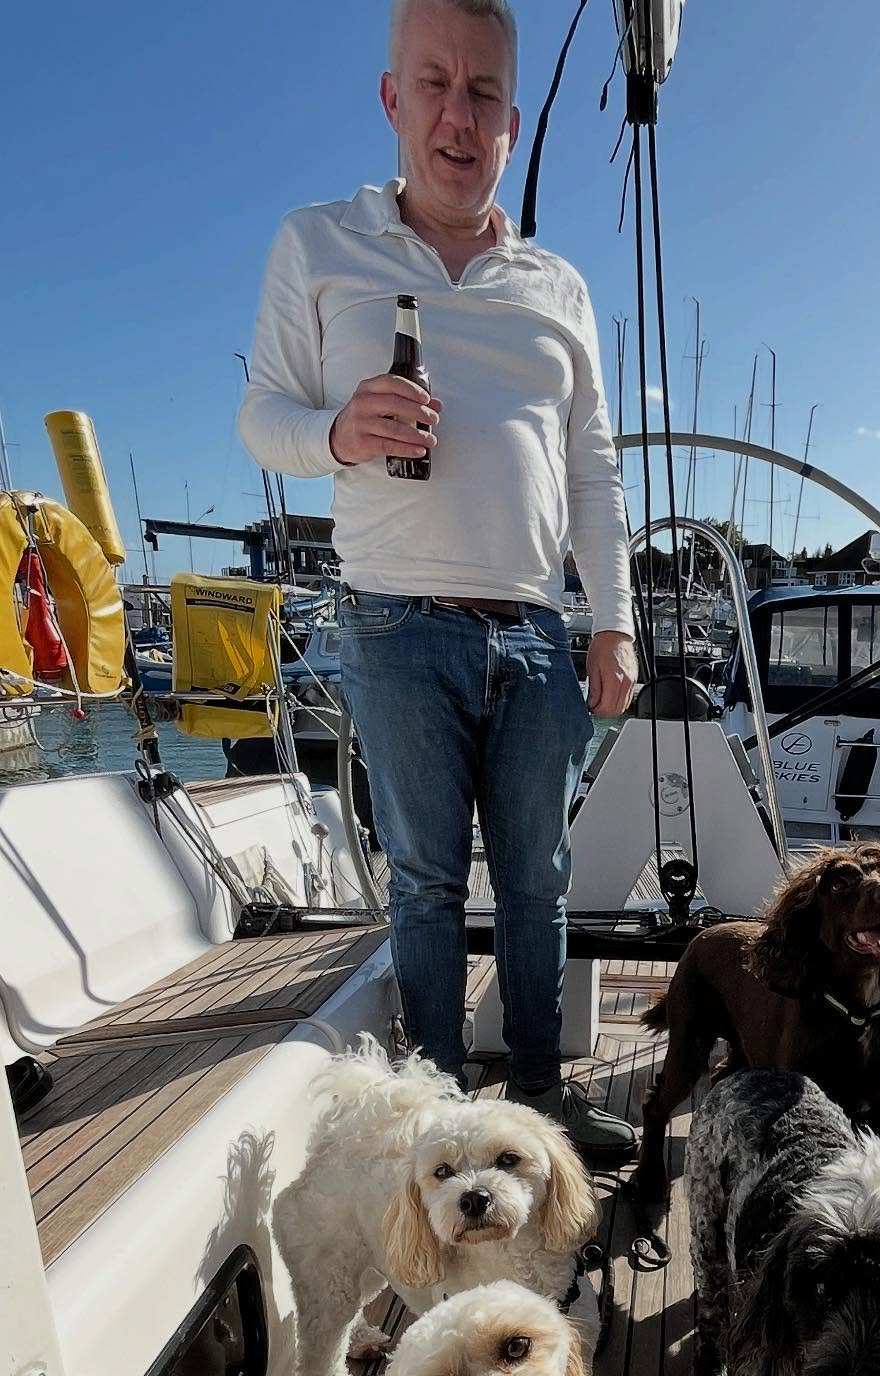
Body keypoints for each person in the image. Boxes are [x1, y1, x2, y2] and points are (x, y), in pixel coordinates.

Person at [238, 0, 638, 1162]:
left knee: (538, 883)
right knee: (422, 883)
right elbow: (263, 414)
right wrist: (339, 433)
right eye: (435, 85)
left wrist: (610, 622)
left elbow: (595, 470)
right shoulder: (319, 245)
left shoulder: (556, 286)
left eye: (483, 95)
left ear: (512, 121)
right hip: (392, 622)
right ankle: (433, 1117)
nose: (459, 116)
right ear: (392, 97)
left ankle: (539, 1101)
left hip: (532, 627)